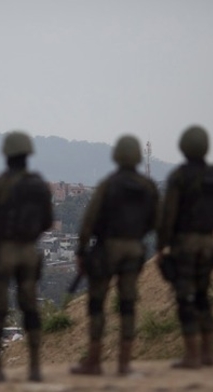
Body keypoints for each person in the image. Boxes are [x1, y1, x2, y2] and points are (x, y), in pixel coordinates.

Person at [70, 135, 159, 376]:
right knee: (128, 304)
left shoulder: (108, 185)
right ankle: (124, 363)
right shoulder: (148, 187)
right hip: (133, 249)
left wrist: (80, 250)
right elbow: (155, 219)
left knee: (98, 304)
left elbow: (89, 221)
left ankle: (94, 362)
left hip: (106, 250)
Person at [0, 131, 53, 382]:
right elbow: (48, 220)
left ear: (6, 154)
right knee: (30, 307)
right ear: (28, 154)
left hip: (3, 251)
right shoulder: (38, 184)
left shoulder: (0, 185)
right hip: (29, 251)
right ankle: (35, 368)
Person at [156, 125, 213, 369]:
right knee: (203, 297)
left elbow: (168, 215)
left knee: (185, 298)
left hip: (184, 245)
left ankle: (191, 355)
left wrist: (161, 246)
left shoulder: (179, 177)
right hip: (208, 243)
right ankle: (208, 354)